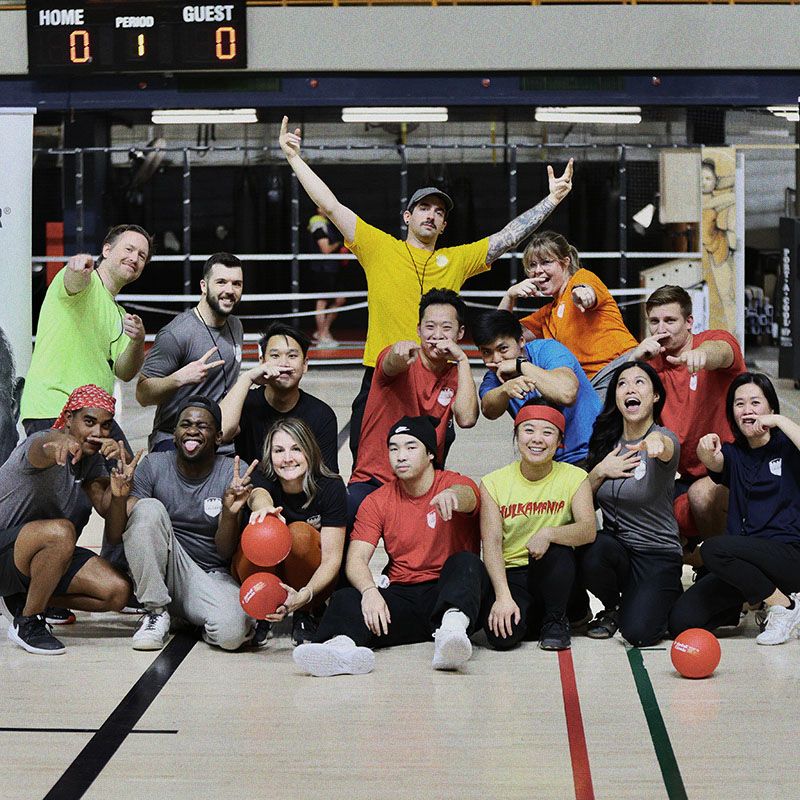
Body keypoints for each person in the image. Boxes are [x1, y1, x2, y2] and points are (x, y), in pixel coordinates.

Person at [279, 116, 573, 460]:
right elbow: (330, 206)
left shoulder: (458, 259)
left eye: (438, 212)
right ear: (408, 217)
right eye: (423, 208)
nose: (430, 215)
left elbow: (507, 237)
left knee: (430, 467)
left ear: (444, 224)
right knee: (369, 466)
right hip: (383, 374)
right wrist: (294, 158)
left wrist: (552, 200)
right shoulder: (378, 247)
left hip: (436, 378)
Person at [293, 415, 485, 676]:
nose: (400, 456)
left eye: (410, 447)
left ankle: (451, 635)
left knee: (467, 563)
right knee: (347, 596)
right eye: (394, 448)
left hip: (446, 592)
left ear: (430, 453)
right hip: (404, 594)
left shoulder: (453, 483)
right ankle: (342, 649)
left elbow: (470, 497)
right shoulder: (377, 500)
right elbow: (356, 559)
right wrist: (370, 591)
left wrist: (453, 496)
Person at [107, 395, 259, 651]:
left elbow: (224, 551)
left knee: (233, 633)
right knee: (147, 509)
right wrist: (118, 499)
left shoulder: (231, 471)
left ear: (219, 437)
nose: (192, 430)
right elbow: (115, 536)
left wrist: (230, 513)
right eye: (185, 424)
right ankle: (155, 611)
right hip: (161, 573)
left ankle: (185, 618)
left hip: (208, 575)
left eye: (202, 426)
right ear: (175, 434)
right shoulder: (153, 466)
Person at [0, 385, 133, 654]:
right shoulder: (43, 443)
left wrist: (119, 492)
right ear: (69, 419)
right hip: (6, 548)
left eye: (106, 426)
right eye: (89, 422)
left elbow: (113, 530)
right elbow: (41, 448)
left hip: (38, 556)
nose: (98, 432)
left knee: (117, 591)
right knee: (62, 532)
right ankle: (28, 622)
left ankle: (23, 598)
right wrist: (58, 442)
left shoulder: (91, 462)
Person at [669, 373, 800, 645]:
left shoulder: (787, 447)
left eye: (755, 402)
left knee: (713, 549)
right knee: (681, 621)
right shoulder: (733, 453)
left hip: (788, 556)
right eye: (739, 404)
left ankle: (785, 606)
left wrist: (778, 421)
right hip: (746, 563)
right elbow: (715, 462)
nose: (747, 409)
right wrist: (706, 452)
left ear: (770, 407)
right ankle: (762, 601)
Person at [628, 284, 746, 557]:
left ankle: (725, 569)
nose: (662, 329)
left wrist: (703, 355)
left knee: (702, 495)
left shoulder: (711, 341)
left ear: (689, 322)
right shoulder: (651, 366)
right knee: (632, 504)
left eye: (670, 320)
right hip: (684, 475)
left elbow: (724, 351)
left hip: (730, 467)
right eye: (654, 322)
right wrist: (634, 361)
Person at [347, 288, 478, 524]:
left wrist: (463, 360)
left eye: (446, 328)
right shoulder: (402, 357)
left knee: (464, 511)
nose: (436, 335)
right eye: (429, 327)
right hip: (372, 482)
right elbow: (390, 363)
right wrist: (397, 354)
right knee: (343, 511)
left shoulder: (457, 375)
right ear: (418, 329)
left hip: (421, 487)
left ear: (460, 333)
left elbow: (467, 419)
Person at [20, 224, 152, 451]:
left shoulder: (120, 315)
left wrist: (138, 341)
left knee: (126, 476)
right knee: (67, 485)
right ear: (107, 250)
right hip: (55, 410)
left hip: (96, 416)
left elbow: (125, 371)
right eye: (129, 249)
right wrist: (76, 267)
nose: (134, 258)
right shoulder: (84, 281)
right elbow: (74, 281)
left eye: (142, 255)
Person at [480, 401, 596, 652]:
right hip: (513, 575)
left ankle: (556, 620)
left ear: (559, 442)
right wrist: (502, 596)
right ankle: (538, 618)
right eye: (529, 430)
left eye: (548, 432)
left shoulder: (574, 477)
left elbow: (588, 529)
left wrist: (549, 533)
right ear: (516, 435)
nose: (537, 439)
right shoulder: (493, 483)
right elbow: (490, 544)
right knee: (502, 638)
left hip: (555, 572)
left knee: (558, 548)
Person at [581, 361, 683, 646]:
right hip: (619, 551)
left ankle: (663, 595)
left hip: (657, 554)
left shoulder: (664, 438)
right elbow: (582, 503)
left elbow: (667, 448)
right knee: (590, 546)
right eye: (623, 383)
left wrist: (656, 445)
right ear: (616, 396)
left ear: (655, 396)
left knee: (638, 633)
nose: (630, 388)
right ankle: (614, 607)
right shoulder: (605, 442)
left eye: (640, 382)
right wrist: (600, 471)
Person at [242, 417, 347, 645]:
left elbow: (331, 560)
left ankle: (306, 612)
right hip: (267, 571)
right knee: (263, 530)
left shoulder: (331, 487)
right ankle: (263, 609)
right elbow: (257, 494)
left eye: (296, 449)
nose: (287, 459)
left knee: (299, 533)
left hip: (311, 579)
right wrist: (264, 509)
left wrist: (306, 595)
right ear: (270, 456)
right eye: (279, 451)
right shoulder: (263, 476)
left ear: (309, 451)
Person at [500, 231, 638, 401]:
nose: (538, 270)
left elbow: (587, 290)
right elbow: (500, 334)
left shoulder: (581, 277)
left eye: (546, 262)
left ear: (565, 262)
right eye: (532, 265)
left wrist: (583, 294)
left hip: (620, 368)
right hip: (587, 384)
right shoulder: (547, 314)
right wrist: (509, 296)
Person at [137, 252, 244, 453]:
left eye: (236, 284)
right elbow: (142, 394)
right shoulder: (177, 333)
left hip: (219, 439)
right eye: (221, 282)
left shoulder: (236, 326)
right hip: (174, 437)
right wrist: (179, 378)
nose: (229, 290)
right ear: (204, 286)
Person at [473, 309, 601, 467]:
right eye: (487, 352)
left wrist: (521, 366)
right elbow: (489, 410)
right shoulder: (494, 376)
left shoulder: (548, 350)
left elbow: (567, 394)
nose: (496, 359)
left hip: (598, 451)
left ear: (521, 341)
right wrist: (505, 389)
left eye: (503, 349)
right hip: (552, 463)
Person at [219, 323, 339, 473]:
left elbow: (328, 478)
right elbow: (221, 433)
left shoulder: (321, 414)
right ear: (262, 361)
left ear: (305, 364)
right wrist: (246, 378)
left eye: (292, 356)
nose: (284, 363)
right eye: (275, 355)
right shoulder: (245, 403)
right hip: (251, 491)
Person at [308, 206, 347, 348]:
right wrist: (340, 244)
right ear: (318, 208)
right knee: (322, 302)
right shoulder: (317, 223)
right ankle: (322, 336)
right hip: (322, 269)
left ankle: (322, 332)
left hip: (332, 269)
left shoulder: (327, 224)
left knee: (340, 299)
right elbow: (325, 249)